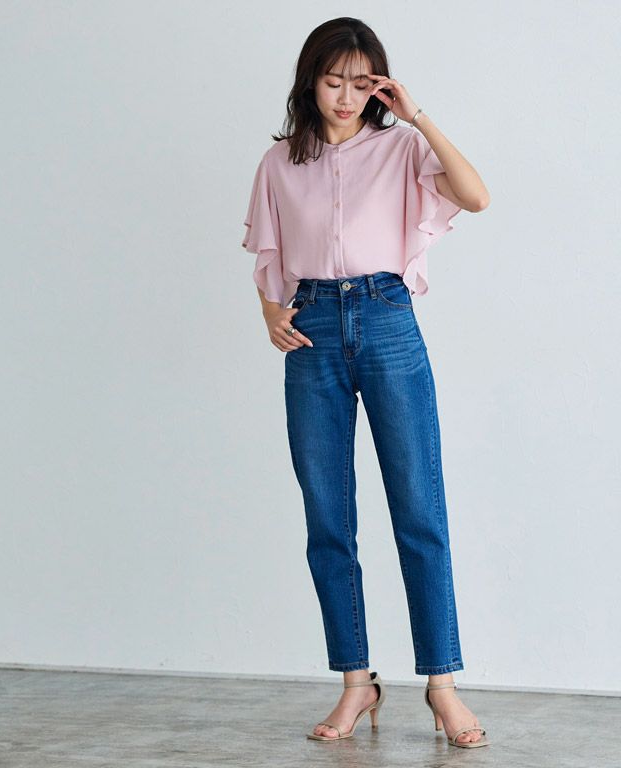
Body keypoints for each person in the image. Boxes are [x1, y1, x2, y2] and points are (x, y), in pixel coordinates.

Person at [241, 17, 491, 749]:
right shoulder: (279, 162)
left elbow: (476, 197)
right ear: (309, 82)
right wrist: (270, 313)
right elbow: (268, 258)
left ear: (379, 86)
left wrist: (418, 116)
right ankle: (357, 682)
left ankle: (442, 685)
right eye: (332, 81)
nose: (346, 97)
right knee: (327, 516)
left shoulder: (402, 147)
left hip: (387, 321)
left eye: (360, 83)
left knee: (419, 509)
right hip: (313, 332)